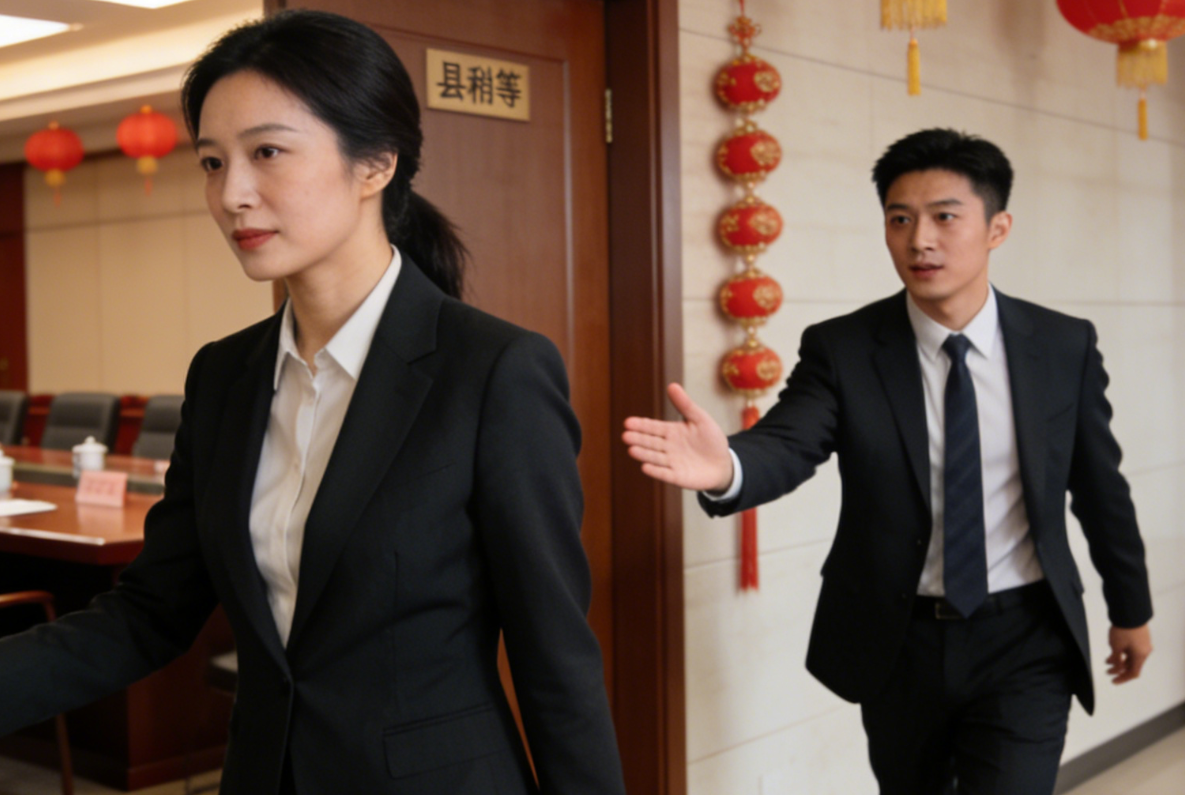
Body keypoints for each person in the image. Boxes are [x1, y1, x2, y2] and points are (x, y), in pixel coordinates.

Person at [0, 10, 625, 795]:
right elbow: (150, 612)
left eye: (267, 152)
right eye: (212, 162)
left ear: (376, 164)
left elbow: (553, 656)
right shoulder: (223, 376)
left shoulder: (493, 371)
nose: (232, 193)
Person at [623, 128, 1153, 794]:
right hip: (899, 639)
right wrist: (729, 466)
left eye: (944, 217)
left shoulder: (1061, 344)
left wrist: (1130, 608)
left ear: (997, 228)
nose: (919, 239)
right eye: (899, 219)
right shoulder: (845, 349)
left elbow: (1100, 486)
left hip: (1025, 636)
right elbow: (789, 441)